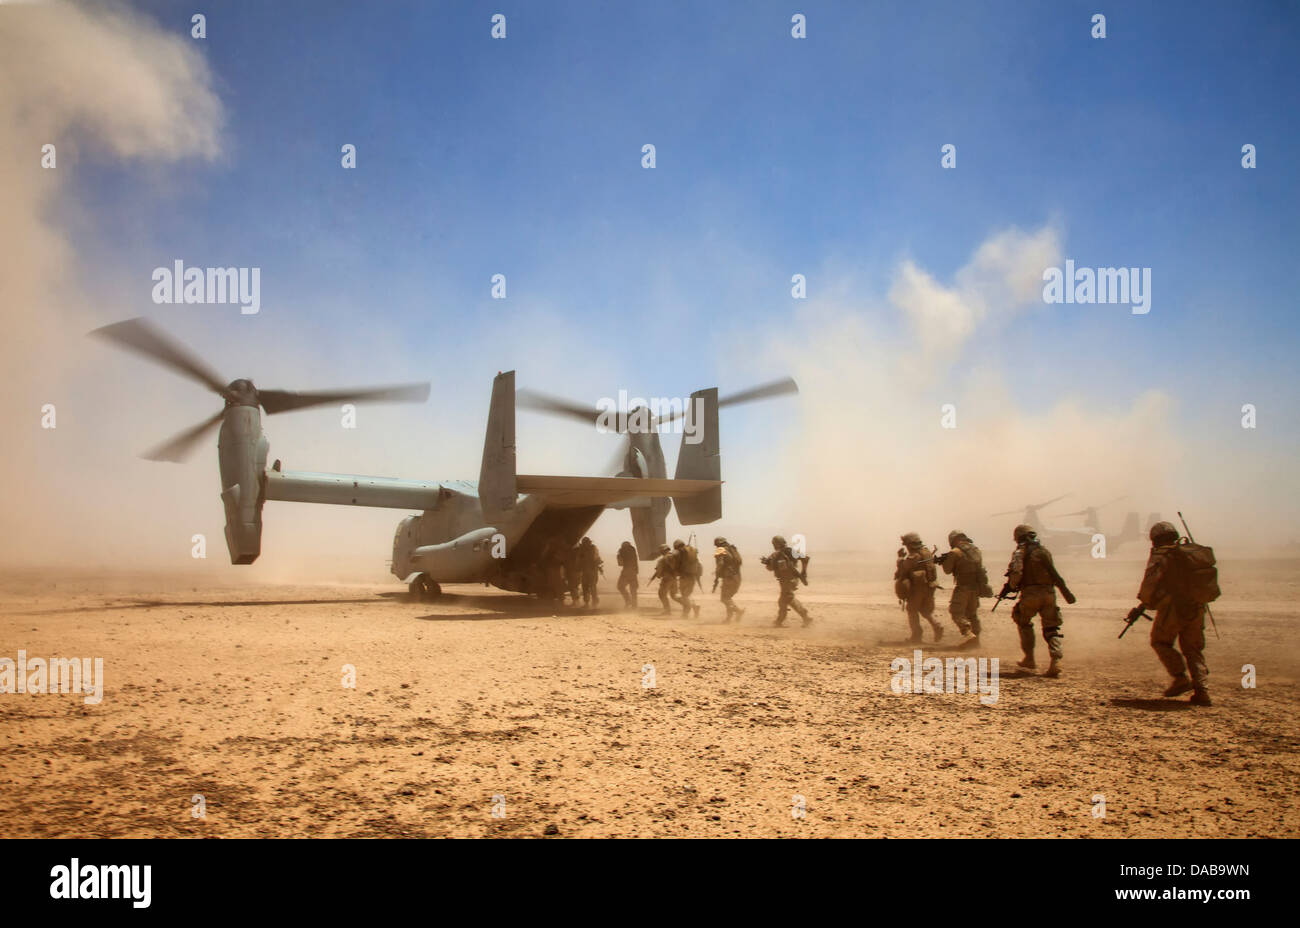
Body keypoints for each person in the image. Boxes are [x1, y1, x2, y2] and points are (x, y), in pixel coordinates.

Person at [1134, 521, 1214, 706]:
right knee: (1193, 650)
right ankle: (1202, 691)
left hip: (1173, 609)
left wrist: (1145, 604)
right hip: (1196, 607)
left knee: (1160, 641)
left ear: (1155, 540)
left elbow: (1150, 585)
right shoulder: (1189, 554)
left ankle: (1180, 678)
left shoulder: (1162, 556)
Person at [1003, 523, 1075, 677]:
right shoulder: (1044, 551)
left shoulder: (1019, 553)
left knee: (1022, 620)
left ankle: (1029, 658)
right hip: (1049, 593)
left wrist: (1011, 586)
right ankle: (1056, 661)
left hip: (1031, 594)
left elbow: (1015, 576)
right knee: (1051, 627)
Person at [937, 530, 990, 648]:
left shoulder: (955, 552)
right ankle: (976, 641)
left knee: (956, 612)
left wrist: (943, 562)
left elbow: (947, 570)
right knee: (972, 614)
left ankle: (969, 634)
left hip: (963, 588)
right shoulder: (976, 550)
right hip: (975, 588)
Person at [894, 532, 942, 643]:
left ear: (910, 544)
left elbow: (903, 569)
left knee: (911, 610)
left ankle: (916, 635)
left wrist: (900, 558)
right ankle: (936, 625)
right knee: (924, 609)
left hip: (918, 588)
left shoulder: (914, 556)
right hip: (930, 586)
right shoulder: (927, 552)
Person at [763, 535, 811, 627]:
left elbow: (806, 558)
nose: (773, 545)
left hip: (789, 580)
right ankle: (781, 621)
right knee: (785, 600)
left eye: (774, 543)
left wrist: (803, 572)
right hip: (786, 580)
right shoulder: (780, 553)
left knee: (785, 600)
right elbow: (771, 568)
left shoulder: (787, 552)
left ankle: (803, 617)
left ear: (779, 543)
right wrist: (768, 563)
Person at [712, 536, 744, 622]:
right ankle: (728, 618)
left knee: (724, 598)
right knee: (728, 598)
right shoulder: (732, 549)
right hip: (737, 577)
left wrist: (717, 575)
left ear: (718, 544)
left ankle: (739, 611)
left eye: (716, 545)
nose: (716, 547)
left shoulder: (721, 550)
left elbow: (720, 564)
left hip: (729, 578)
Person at [671, 539, 702, 618]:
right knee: (687, 595)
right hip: (692, 576)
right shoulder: (692, 552)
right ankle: (694, 607)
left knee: (684, 595)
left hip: (684, 576)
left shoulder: (679, 552)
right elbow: (699, 565)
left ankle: (686, 613)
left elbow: (674, 559)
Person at [651, 544, 677, 615]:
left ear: (662, 551)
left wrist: (658, 576)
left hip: (667, 578)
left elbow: (658, 571)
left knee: (661, 594)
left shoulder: (662, 559)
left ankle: (667, 610)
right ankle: (690, 605)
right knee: (674, 595)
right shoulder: (674, 557)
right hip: (674, 578)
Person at [577, 536, 602, 607]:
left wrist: (578, 568)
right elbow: (598, 559)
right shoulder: (593, 548)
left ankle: (589, 602)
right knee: (590, 587)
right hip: (591, 571)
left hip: (589, 571)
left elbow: (579, 561)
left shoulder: (583, 550)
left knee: (587, 587)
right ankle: (592, 602)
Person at [615, 541, 639, 608]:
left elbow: (620, 564)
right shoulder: (633, 550)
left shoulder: (622, 551)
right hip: (633, 572)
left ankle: (628, 600)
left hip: (626, 572)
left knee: (620, 586)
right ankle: (634, 605)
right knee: (633, 589)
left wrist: (618, 556)